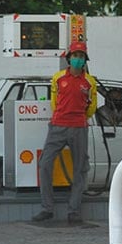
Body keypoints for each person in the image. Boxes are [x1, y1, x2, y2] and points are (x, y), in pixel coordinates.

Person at [32, 41, 97, 224]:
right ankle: (47, 208)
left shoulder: (90, 82)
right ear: (69, 58)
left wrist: (81, 119)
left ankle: (74, 211)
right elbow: (54, 102)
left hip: (79, 127)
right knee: (44, 163)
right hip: (58, 126)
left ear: (85, 60)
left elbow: (92, 106)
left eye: (81, 56)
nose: (78, 59)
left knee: (80, 168)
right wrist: (60, 118)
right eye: (75, 56)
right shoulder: (58, 78)